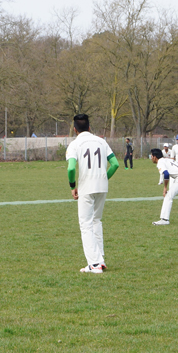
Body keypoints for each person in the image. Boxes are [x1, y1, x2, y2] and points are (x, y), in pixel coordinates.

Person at [66, 113, 120, 274]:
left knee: (86, 224)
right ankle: (100, 259)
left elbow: (71, 168)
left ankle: (95, 264)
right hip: (102, 186)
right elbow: (115, 164)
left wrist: (72, 186)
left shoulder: (75, 144)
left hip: (86, 187)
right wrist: (104, 177)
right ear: (89, 127)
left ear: (75, 130)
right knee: (96, 220)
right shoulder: (101, 141)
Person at [150, 148, 178, 225]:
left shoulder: (160, 162)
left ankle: (165, 219)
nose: (151, 158)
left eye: (151, 156)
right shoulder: (167, 159)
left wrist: (165, 188)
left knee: (168, 196)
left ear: (154, 157)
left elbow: (166, 174)